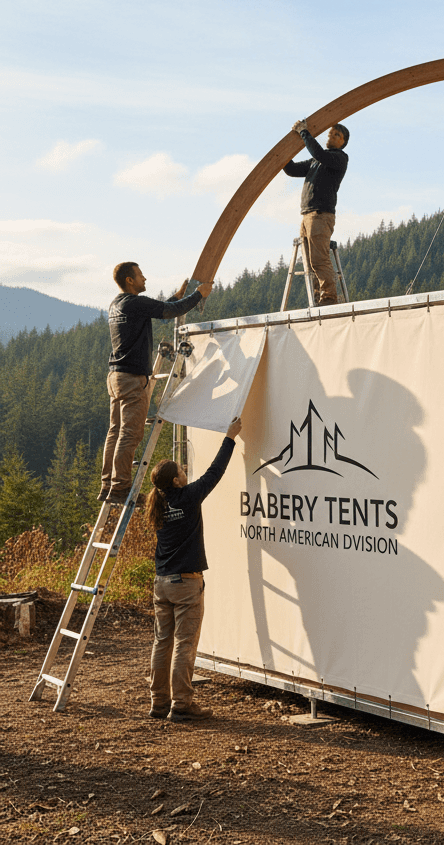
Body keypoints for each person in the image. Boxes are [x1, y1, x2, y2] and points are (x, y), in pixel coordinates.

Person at [145, 416, 243, 721]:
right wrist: (229, 437)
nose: (186, 472)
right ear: (176, 481)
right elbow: (215, 472)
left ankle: (159, 703)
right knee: (185, 645)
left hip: (161, 583)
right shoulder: (188, 498)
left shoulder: (158, 503)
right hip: (187, 584)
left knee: (162, 642)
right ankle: (182, 705)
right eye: (182, 471)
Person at [101, 264, 212, 505]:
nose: (145, 278)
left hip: (116, 376)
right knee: (130, 434)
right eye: (140, 275)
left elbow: (163, 309)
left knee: (115, 431)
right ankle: (120, 489)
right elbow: (169, 312)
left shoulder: (117, 305)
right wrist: (198, 295)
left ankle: (107, 484)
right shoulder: (135, 303)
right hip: (132, 378)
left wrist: (177, 298)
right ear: (130, 280)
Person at [284, 119, 350, 306]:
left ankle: (329, 298)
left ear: (342, 142)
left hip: (321, 215)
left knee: (319, 259)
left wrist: (304, 133)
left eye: (336, 135)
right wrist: (283, 154)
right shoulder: (316, 161)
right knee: (310, 262)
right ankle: (318, 298)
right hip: (307, 215)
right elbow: (291, 169)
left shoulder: (339, 158)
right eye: (330, 133)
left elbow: (318, 152)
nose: (331, 136)